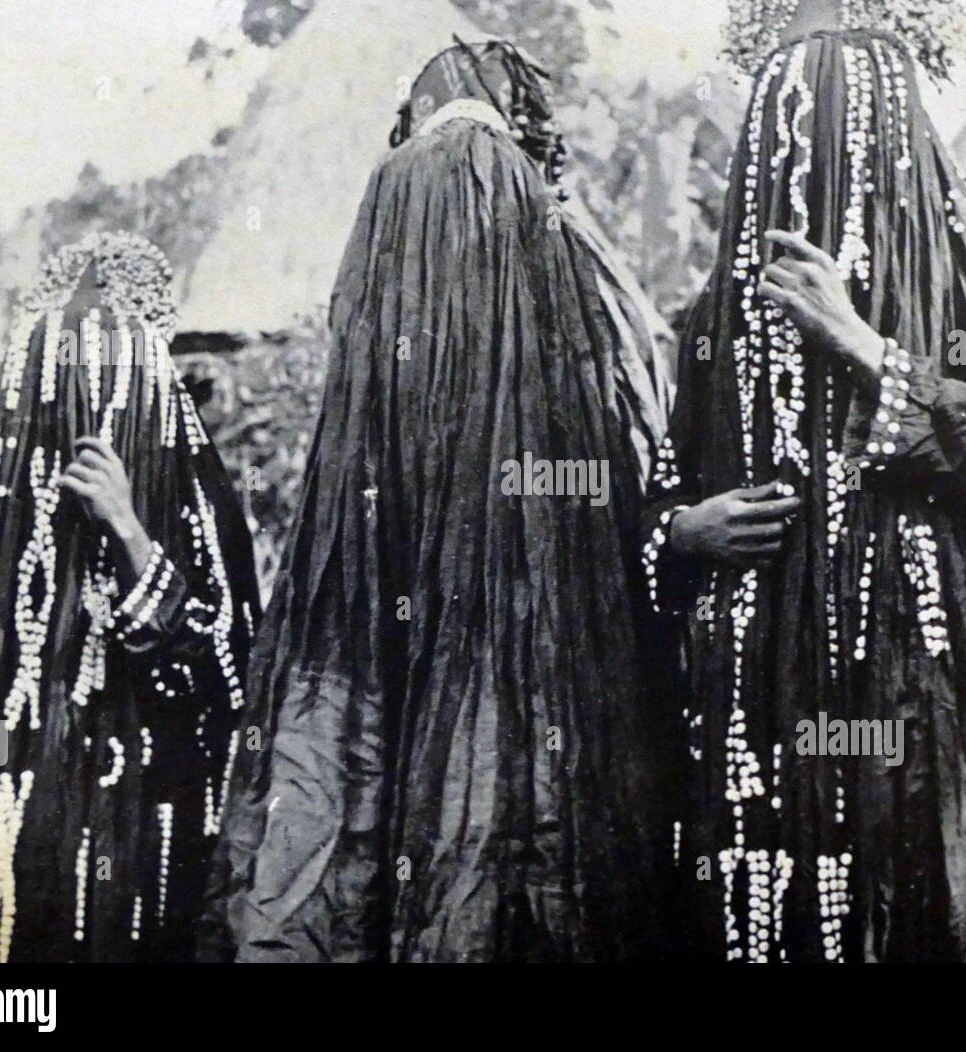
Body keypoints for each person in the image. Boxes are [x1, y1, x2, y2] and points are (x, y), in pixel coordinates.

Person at [643, 0, 966, 961]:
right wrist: (686, 533)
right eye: (784, 128)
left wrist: (864, 347)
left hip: (928, 715)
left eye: (840, 128)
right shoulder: (710, 329)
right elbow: (646, 514)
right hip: (767, 733)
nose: (807, 164)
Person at [202, 38, 674, 963]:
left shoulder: (406, 225)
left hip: (453, 643)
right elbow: (636, 459)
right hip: (513, 662)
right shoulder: (569, 265)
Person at [0, 232, 259, 961]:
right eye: (64, 378)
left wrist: (129, 532)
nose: (86, 409)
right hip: (19, 837)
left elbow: (226, 682)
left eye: (114, 378)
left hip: (143, 837)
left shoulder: (188, 499)